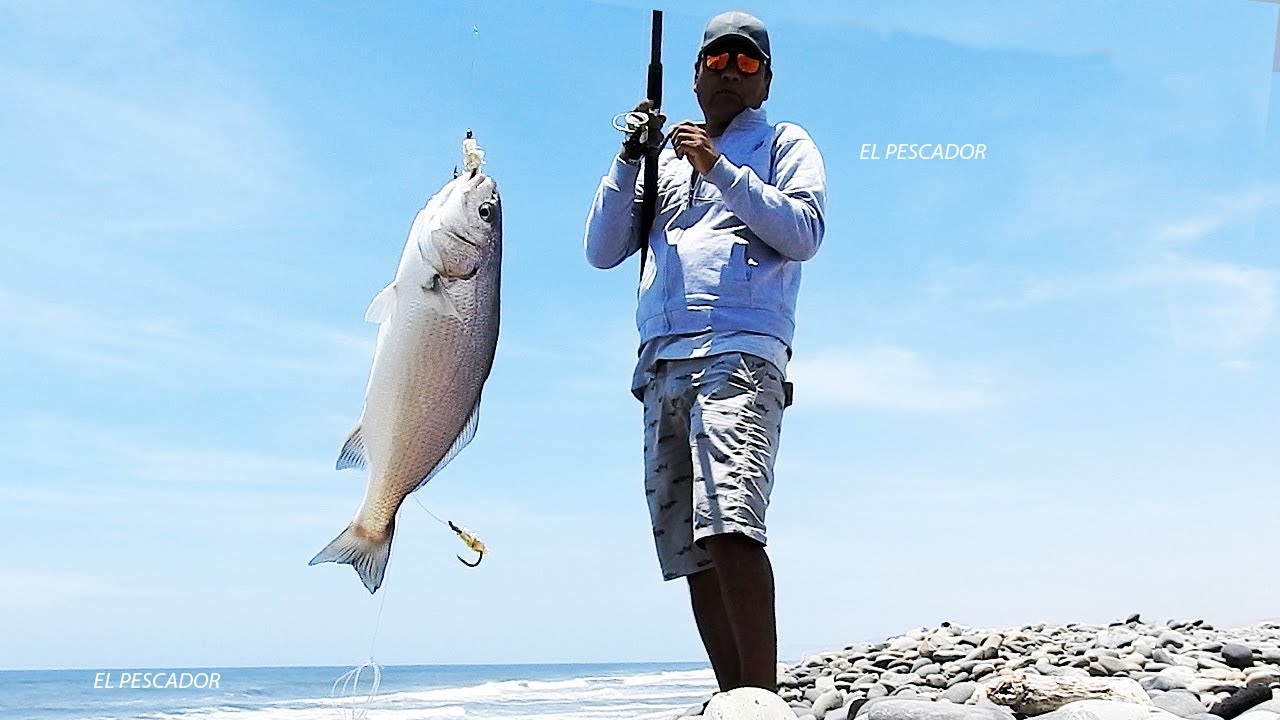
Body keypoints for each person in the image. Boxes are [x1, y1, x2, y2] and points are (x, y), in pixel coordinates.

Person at [583, 11, 827, 695]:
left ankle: (762, 701)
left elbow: (803, 230)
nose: (729, 72)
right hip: (661, 362)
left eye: (746, 64)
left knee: (731, 526)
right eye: (717, 61)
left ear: (767, 79)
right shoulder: (658, 160)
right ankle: (733, 698)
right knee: (691, 550)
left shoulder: (785, 142)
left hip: (740, 353)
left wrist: (717, 168)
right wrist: (631, 156)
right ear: (694, 75)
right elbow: (603, 250)